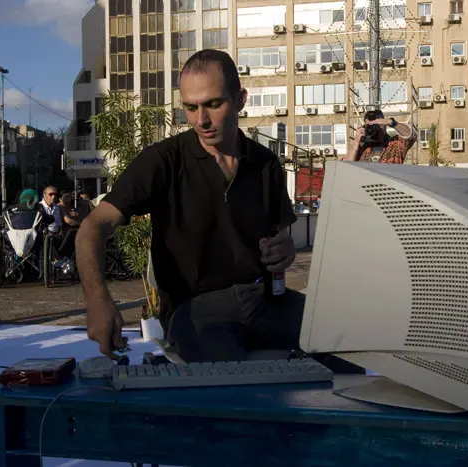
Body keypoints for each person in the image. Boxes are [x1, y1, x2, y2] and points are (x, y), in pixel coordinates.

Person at [77, 49, 310, 364]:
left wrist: (284, 250)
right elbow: (93, 226)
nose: (201, 120)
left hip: (264, 300)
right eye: (190, 107)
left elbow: (280, 241)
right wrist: (96, 299)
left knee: (344, 344)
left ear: (241, 99)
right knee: (228, 385)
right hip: (195, 308)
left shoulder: (266, 163)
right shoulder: (163, 160)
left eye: (214, 104)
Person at [345, 109, 416, 163]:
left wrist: (391, 122)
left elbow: (411, 134)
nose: (373, 128)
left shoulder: (395, 145)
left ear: (384, 125)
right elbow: (347, 167)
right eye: (369, 126)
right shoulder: (361, 149)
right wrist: (356, 143)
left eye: (377, 125)